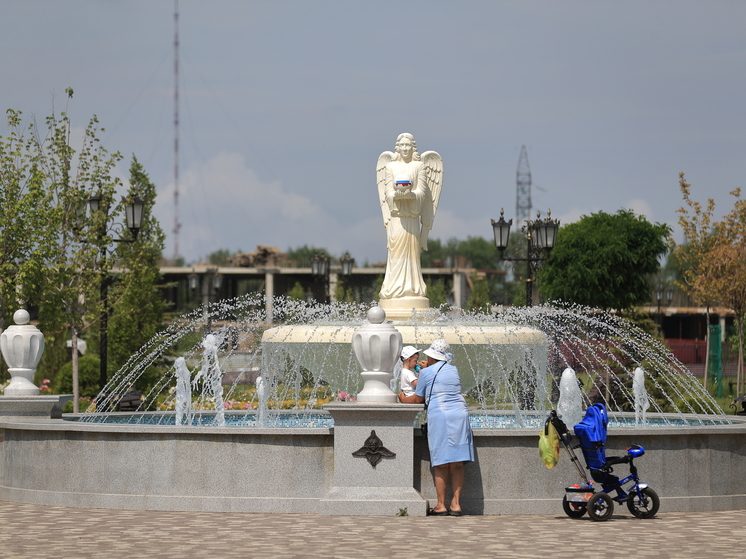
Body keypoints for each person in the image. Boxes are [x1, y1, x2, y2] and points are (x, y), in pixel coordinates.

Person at [398, 338, 474, 516]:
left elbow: (418, 398)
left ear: (432, 357)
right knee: (457, 462)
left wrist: (402, 399)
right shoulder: (453, 370)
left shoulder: (426, 373)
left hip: (440, 415)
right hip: (460, 415)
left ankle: (441, 505)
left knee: (441, 462)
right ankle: (456, 504)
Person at [376, 133, 442, 300]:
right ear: (398, 147)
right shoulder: (390, 167)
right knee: (395, 253)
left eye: (408, 145)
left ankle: (412, 288)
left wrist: (412, 195)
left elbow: (422, 191)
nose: (405, 149)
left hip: (412, 219)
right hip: (397, 218)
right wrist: (396, 195)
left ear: (413, 147)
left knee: (412, 254)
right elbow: (387, 192)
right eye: (402, 145)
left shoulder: (419, 166)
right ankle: (392, 288)